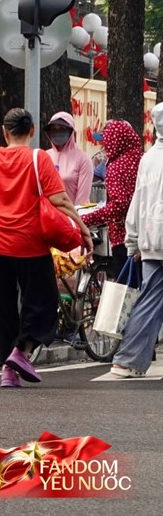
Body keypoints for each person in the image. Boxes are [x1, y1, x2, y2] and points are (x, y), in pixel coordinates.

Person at [0, 108, 92, 389]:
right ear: (33, 131)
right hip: (30, 245)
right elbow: (60, 200)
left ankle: (8, 370)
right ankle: (20, 353)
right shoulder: (39, 158)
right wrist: (82, 231)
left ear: (4, 131)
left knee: (1, 309)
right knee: (43, 303)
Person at [112, 103, 163, 378]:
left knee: (149, 299)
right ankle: (128, 358)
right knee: (151, 300)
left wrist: (133, 242)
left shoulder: (148, 158)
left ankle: (128, 359)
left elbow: (137, 202)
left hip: (151, 242)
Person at [81, 120, 143, 272]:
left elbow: (119, 204)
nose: (104, 147)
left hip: (124, 237)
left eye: (106, 142)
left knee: (125, 290)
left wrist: (87, 219)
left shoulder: (116, 166)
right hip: (146, 235)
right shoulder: (142, 159)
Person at [45, 112, 93, 205]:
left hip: (71, 215)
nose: (57, 132)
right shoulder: (45, 156)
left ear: (71, 132)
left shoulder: (83, 159)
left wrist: (73, 217)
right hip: (47, 215)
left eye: (62, 129)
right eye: (54, 129)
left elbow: (82, 199)